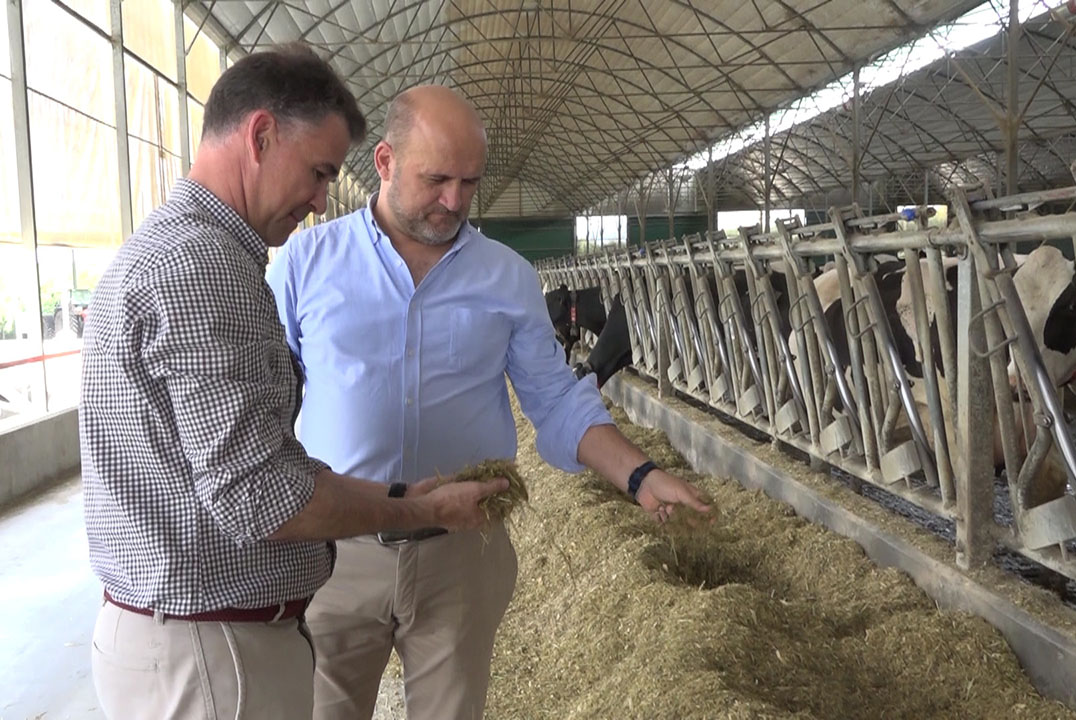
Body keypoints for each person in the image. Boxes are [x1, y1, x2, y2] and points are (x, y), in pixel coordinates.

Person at [80, 49, 506, 720]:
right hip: (213, 657)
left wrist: (397, 491)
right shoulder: (206, 270)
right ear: (260, 136)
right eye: (317, 172)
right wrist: (421, 511)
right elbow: (261, 499)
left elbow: (251, 462)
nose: (317, 202)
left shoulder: (171, 247)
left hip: (186, 638)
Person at [265, 84, 712, 720]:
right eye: (437, 178)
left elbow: (557, 401)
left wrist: (639, 476)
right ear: (385, 162)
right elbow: (264, 404)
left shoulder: (506, 276)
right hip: (336, 549)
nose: (454, 201)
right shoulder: (305, 264)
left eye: (469, 182)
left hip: (461, 549)